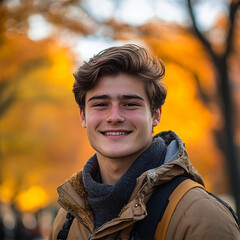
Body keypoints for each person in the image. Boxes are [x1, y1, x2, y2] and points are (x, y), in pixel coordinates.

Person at [49, 44, 240, 240]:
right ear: (83, 116)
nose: (114, 117)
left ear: (155, 114)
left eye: (130, 104)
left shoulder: (201, 217)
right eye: (100, 104)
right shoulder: (68, 218)